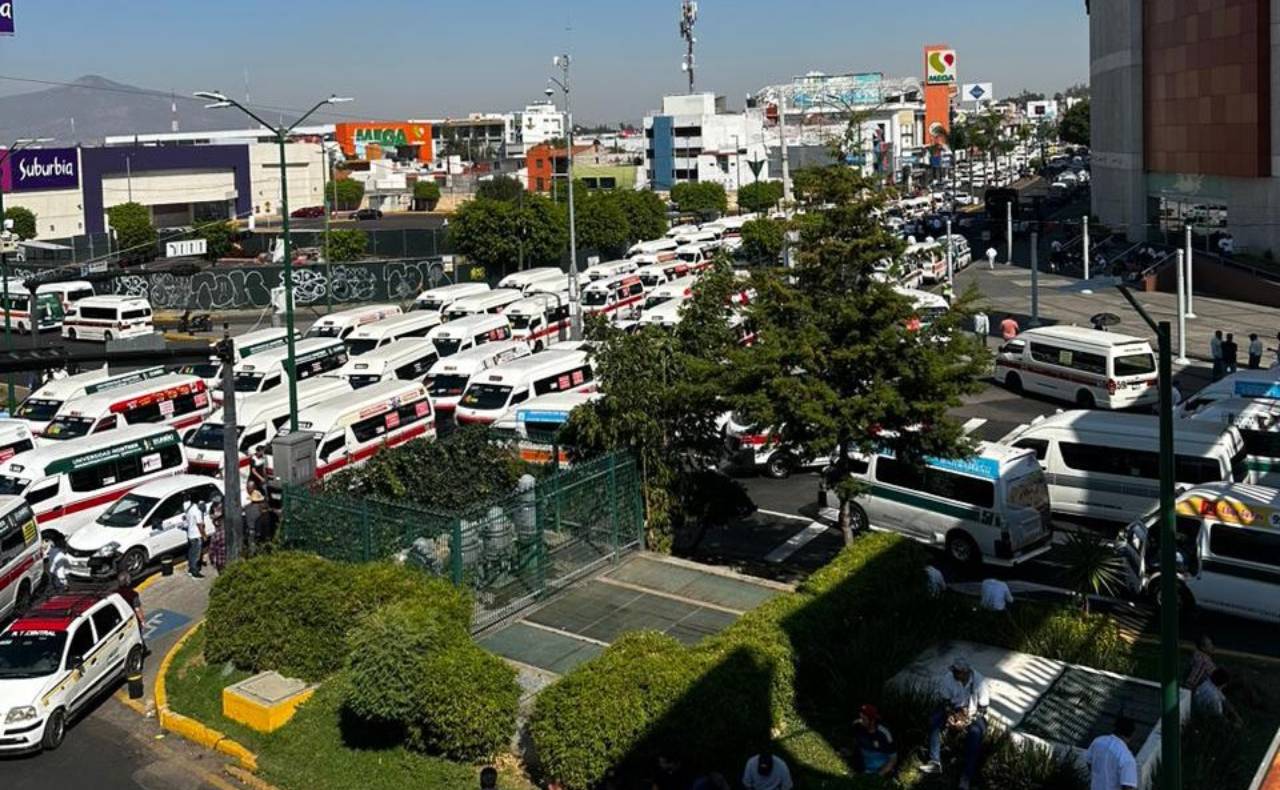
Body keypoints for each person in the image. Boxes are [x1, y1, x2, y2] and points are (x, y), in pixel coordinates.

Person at [921, 656, 989, 790]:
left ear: (965, 672)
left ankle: (966, 776)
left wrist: (966, 722)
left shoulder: (979, 681)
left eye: (957, 672)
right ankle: (935, 761)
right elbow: (945, 701)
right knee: (934, 720)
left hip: (973, 713)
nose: (954, 674)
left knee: (975, 734)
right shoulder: (948, 678)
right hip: (954, 709)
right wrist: (951, 715)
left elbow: (983, 709)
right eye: (954, 671)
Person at [1084, 715, 1138, 790]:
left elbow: (1089, 761)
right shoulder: (1126, 757)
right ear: (1132, 735)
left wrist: (1099, 775)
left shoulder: (1098, 741)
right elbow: (1128, 786)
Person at [852, 704, 898, 777]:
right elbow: (856, 745)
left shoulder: (884, 734)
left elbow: (893, 759)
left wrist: (878, 775)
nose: (861, 721)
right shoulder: (857, 726)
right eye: (860, 718)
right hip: (863, 768)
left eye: (864, 719)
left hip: (880, 770)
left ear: (872, 721)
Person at [184, 494, 207, 578]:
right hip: (196, 535)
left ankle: (191, 568)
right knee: (196, 555)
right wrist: (204, 535)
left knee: (191, 553)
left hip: (190, 534)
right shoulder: (196, 511)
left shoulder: (189, 508)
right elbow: (199, 525)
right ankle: (195, 571)